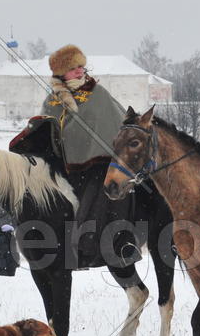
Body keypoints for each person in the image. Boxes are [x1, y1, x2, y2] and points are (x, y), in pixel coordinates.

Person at [38, 44, 141, 266]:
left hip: (102, 164)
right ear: (61, 73)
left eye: (81, 66)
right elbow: (48, 131)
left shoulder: (97, 93)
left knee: (105, 201)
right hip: (66, 167)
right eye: (73, 68)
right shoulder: (52, 101)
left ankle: (113, 246)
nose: (79, 71)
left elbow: (118, 121)